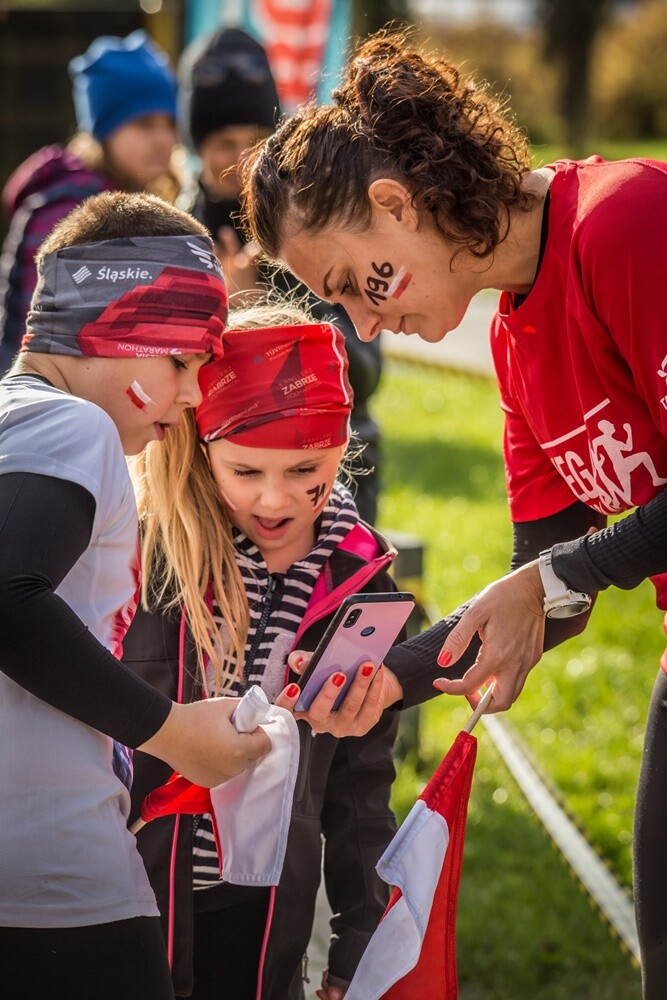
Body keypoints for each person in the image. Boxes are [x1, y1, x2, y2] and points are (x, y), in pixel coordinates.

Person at [240, 28, 667, 998]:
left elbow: (554, 578)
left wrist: (554, 578)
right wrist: (386, 682)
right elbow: (546, 594)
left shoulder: (625, 221)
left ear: (395, 205)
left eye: (354, 282)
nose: (359, 322)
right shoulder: (516, 336)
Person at [0, 190, 276, 1000]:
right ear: (113, 331)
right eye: (182, 361)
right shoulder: (69, 426)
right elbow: (10, 598)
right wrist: (170, 733)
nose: (193, 397)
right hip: (56, 883)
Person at [123, 302, 403, 1000]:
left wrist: (360, 939)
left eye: (305, 468)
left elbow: (359, 785)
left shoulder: (359, 581)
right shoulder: (140, 555)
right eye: (245, 471)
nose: (275, 500)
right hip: (126, 900)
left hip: (260, 914)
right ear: (199, 442)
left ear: (342, 448)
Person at [178, 26, 384, 524]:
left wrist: (258, 317)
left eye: (256, 141)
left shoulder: (314, 227)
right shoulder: (175, 236)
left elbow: (364, 369)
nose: (242, 162)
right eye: (224, 143)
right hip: (210, 475)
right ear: (196, 146)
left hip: (326, 472)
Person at [0, 28, 180, 376]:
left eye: (170, 123)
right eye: (144, 124)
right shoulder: (68, 211)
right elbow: (42, 339)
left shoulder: (131, 198)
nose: (164, 139)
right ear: (103, 131)